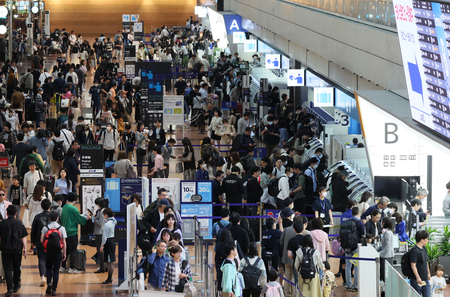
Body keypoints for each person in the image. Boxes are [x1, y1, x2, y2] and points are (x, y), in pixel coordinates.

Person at [0, 205, 28, 296]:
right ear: (16, 213)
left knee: (7, 269)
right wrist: (25, 249)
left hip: (5, 249)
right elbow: (23, 237)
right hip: (17, 249)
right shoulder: (20, 223)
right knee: (17, 267)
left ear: (7, 213)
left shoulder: (2, 223)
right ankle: (16, 285)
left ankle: (9, 289)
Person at [60, 192, 90, 273]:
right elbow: (79, 219)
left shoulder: (64, 207)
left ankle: (63, 266)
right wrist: (86, 218)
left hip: (65, 232)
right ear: (75, 200)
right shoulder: (73, 209)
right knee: (73, 250)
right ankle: (72, 268)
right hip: (72, 232)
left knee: (66, 250)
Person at [40, 210, 67, 296]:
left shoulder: (45, 228)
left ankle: (49, 283)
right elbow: (64, 242)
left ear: (49, 218)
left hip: (48, 252)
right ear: (58, 218)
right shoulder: (61, 228)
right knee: (56, 270)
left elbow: (41, 240)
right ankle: (54, 289)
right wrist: (64, 253)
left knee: (48, 268)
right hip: (58, 252)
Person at [30, 198, 51, 287]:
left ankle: (43, 277)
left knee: (41, 259)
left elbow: (33, 230)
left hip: (40, 241)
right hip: (52, 242)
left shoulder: (37, 217)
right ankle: (50, 278)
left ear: (41, 207)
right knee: (50, 259)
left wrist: (32, 242)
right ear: (50, 207)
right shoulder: (54, 216)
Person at [344, 207, 365, 292]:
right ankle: (355, 285)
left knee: (348, 267)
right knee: (356, 267)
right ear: (359, 213)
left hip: (347, 247)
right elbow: (363, 234)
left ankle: (348, 284)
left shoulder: (346, 222)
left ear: (351, 213)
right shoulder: (360, 223)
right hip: (356, 247)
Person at [410, 230, 431, 297]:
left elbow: (426, 261)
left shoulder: (424, 249)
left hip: (425, 279)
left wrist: (428, 273)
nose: (427, 240)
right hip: (416, 280)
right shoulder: (414, 251)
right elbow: (413, 265)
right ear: (422, 240)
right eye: (426, 239)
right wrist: (418, 277)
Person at [100, 208, 116, 284]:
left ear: (106, 215)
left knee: (109, 262)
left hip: (108, 242)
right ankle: (110, 277)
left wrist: (102, 246)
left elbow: (104, 236)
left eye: (104, 215)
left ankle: (109, 278)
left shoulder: (107, 224)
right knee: (111, 261)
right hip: (112, 241)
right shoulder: (113, 221)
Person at [378, 217, 394, 282]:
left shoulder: (388, 233)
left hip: (387, 256)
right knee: (383, 275)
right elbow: (383, 245)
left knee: (386, 275)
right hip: (385, 256)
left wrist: (379, 254)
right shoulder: (386, 232)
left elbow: (387, 247)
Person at [93, 198, 106, 273]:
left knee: (100, 250)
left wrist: (93, 218)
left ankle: (102, 268)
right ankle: (102, 267)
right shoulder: (100, 211)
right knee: (99, 250)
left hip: (100, 233)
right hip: (98, 232)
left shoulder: (102, 212)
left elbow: (100, 224)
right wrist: (92, 218)